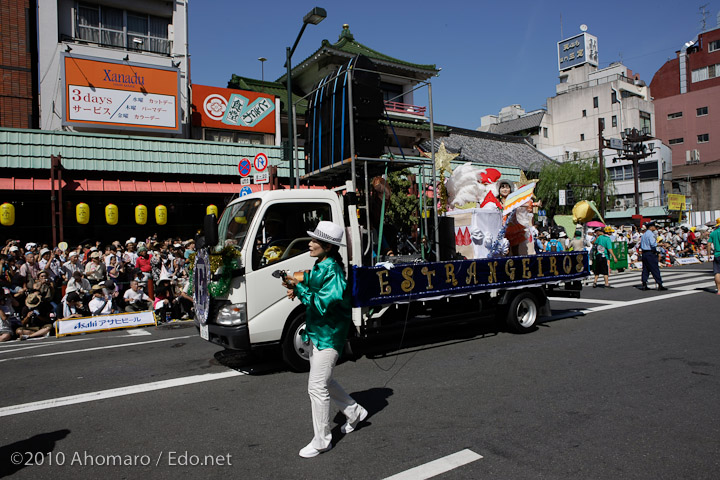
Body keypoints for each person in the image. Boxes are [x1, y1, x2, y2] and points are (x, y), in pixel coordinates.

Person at [282, 221, 367, 459]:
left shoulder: (335, 273)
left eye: (314, 241)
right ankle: (354, 412)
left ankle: (322, 441)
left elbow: (320, 305)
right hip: (318, 333)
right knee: (325, 382)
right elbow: (312, 278)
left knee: (316, 387)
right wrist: (295, 281)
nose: (309, 243)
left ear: (327, 247)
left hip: (329, 336)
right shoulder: (322, 264)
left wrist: (298, 289)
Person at [639, 221, 667, 291]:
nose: (655, 228)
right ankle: (659, 284)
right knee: (655, 269)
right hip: (650, 253)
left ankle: (644, 283)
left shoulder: (644, 235)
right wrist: (662, 244)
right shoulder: (651, 234)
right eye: (654, 226)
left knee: (645, 269)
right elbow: (653, 244)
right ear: (651, 227)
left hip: (644, 253)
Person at [708, 221, 720, 295]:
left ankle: (719, 290)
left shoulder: (713, 233)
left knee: (717, 272)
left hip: (717, 254)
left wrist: (709, 254)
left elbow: (709, 244)